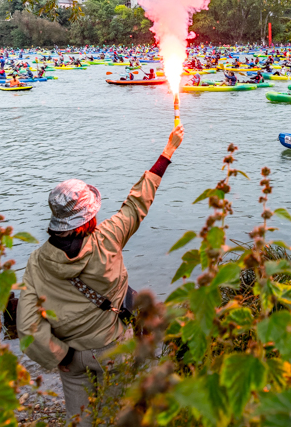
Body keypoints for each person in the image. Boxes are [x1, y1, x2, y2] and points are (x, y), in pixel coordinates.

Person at [19, 126, 183, 427]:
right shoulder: (108, 237)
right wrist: (168, 151)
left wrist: (60, 355)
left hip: (71, 358)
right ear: (88, 217)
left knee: (79, 420)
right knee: (119, 417)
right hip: (114, 349)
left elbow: (27, 325)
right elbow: (137, 204)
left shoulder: (37, 261)